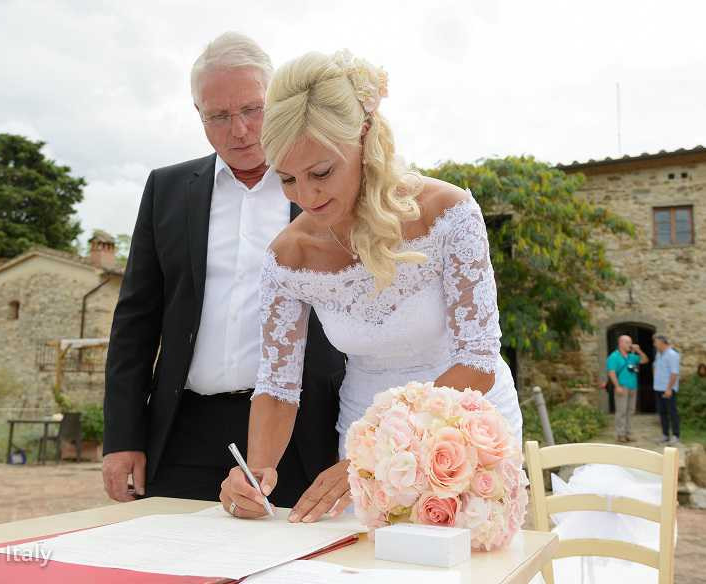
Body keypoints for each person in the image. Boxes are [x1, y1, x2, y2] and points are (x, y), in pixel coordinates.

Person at [219, 50, 522, 522]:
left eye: (321, 173)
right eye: (287, 180)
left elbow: (478, 361)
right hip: (360, 436)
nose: (306, 196)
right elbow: (278, 386)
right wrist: (255, 473)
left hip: (467, 424)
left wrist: (375, 454)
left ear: (363, 139)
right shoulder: (287, 257)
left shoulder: (449, 212)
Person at [102, 33, 345, 507]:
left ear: (278, 103)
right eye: (218, 115)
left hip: (305, 434)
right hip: (185, 430)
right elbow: (134, 321)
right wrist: (122, 436)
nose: (239, 130)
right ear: (198, 114)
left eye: (253, 109)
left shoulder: (327, 183)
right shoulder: (166, 189)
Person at [606, 335, 650, 443]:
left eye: (630, 342)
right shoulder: (614, 356)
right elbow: (611, 372)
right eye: (627, 342)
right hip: (622, 387)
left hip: (633, 387)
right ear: (620, 343)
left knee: (630, 411)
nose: (630, 345)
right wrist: (617, 386)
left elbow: (645, 360)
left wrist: (638, 350)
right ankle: (620, 434)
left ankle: (628, 433)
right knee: (621, 412)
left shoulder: (632, 356)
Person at [652, 334, 680, 444]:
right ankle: (665, 435)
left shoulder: (672, 354)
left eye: (655, 342)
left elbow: (674, 373)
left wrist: (669, 389)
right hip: (658, 388)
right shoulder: (659, 354)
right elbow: (655, 366)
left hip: (668, 389)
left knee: (672, 412)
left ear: (661, 342)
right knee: (662, 412)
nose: (654, 344)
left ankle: (676, 435)